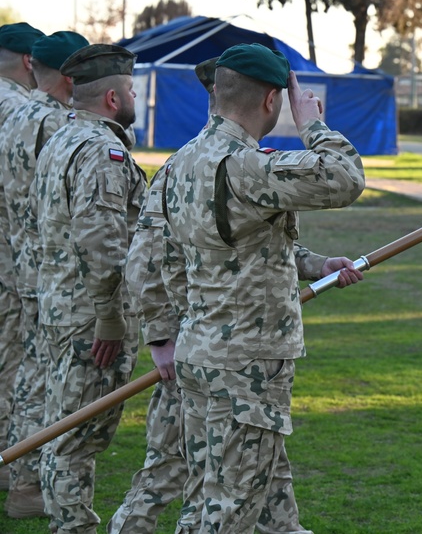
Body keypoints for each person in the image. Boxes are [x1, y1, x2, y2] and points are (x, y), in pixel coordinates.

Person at [161, 43, 366, 532]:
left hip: (203, 353)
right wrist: (312, 123)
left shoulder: (181, 162)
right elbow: (345, 178)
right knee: (227, 509)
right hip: (246, 365)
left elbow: (208, 248)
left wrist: (313, 264)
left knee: (253, 500)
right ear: (273, 101)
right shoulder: (245, 165)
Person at [109, 57, 315, 534]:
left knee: (261, 483)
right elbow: (145, 258)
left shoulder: (198, 162)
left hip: (215, 352)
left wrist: (315, 264)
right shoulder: (204, 164)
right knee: (182, 477)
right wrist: (162, 337)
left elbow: (245, 244)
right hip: (211, 353)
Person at [31, 44, 147, 533]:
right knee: (76, 440)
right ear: (115, 97)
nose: (136, 96)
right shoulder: (102, 149)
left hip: (62, 306)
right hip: (89, 319)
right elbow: (100, 241)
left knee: (67, 429)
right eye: (133, 89)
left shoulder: (62, 138)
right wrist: (110, 317)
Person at [0, 31, 87, 519]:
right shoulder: (56, 123)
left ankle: (17, 473)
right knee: (47, 380)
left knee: (26, 374)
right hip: (54, 271)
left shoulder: (17, 116)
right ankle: (28, 483)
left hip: (23, 263)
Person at [0, 21, 44, 496]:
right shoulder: (20, 110)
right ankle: (15, 471)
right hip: (13, 262)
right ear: (30, 62)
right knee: (16, 366)